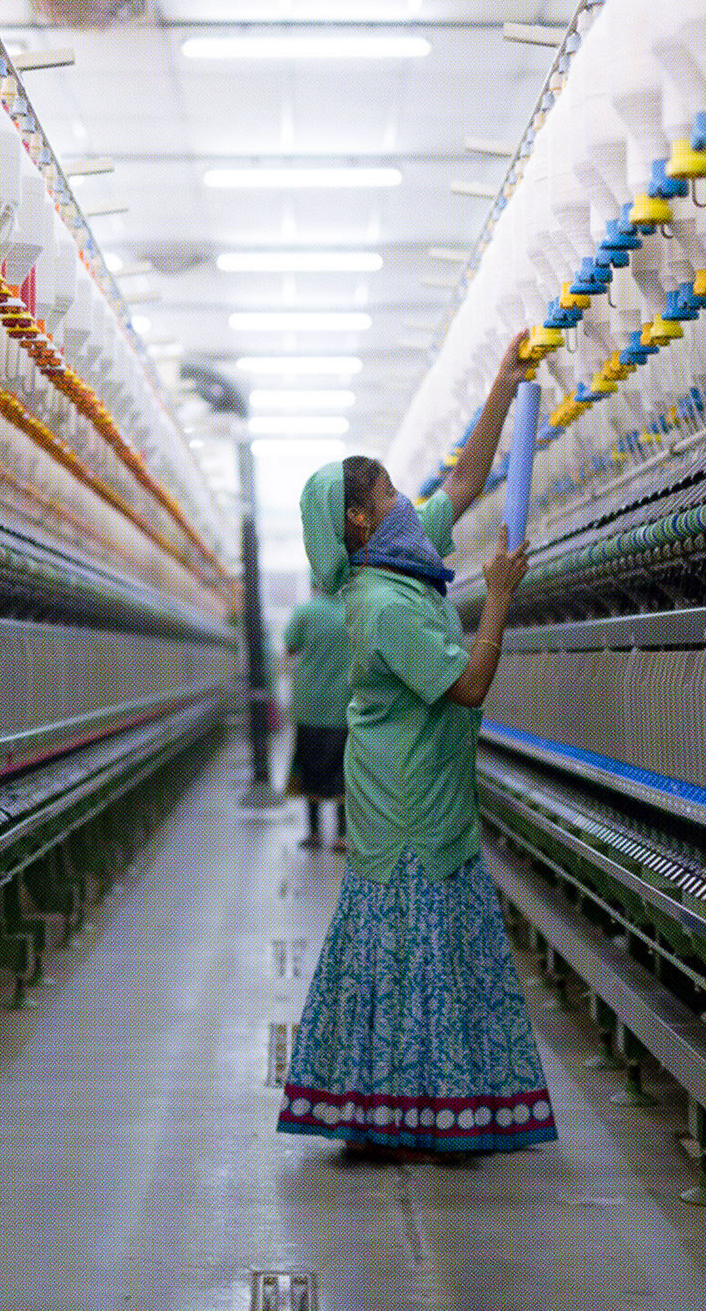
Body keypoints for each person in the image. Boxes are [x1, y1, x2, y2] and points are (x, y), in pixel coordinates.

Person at [277, 332, 554, 1162]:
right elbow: (469, 686)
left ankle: (415, 1104)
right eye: (389, 490)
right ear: (358, 519)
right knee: (412, 942)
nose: (404, 496)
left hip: (428, 786)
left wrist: (503, 386)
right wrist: (498, 597)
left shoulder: (405, 559)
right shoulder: (384, 602)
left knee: (426, 943)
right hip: (404, 799)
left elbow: (466, 483)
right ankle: (404, 1110)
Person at [283, 581, 353, 850]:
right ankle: (342, 835)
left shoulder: (304, 612)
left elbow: (290, 645)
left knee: (309, 766)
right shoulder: (352, 610)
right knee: (342, 770)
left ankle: (313, 833)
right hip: (343, 705)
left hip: (308, 705)